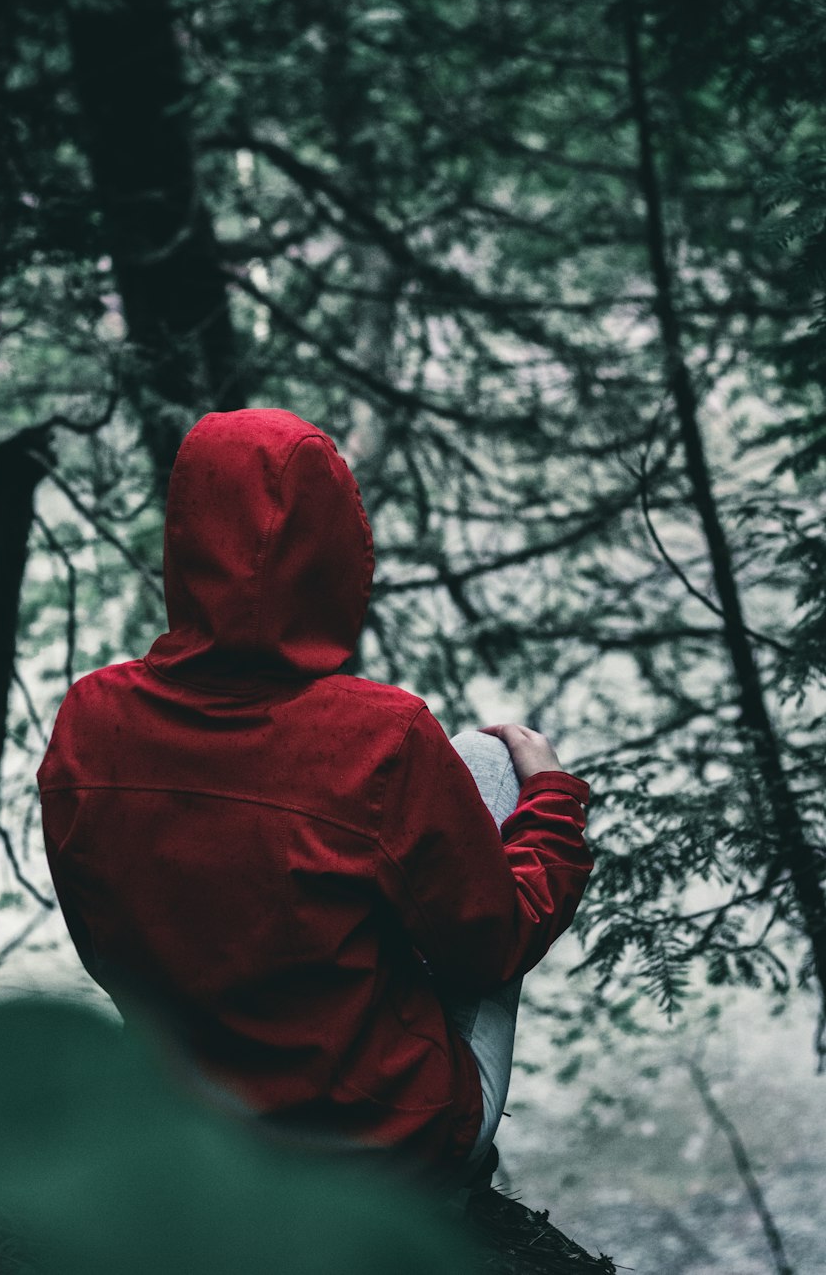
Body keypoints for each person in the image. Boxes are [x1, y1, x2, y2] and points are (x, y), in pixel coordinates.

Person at [38, 408, 592, 1188]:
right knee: (492, 760)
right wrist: (553, 801)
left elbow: (104, 950)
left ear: (187, 538)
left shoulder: (91, 719)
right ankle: (448, 1191)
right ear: (337, 553)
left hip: (191, 1129)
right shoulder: (384, 736)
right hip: (377, 1145)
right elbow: (495, 946)